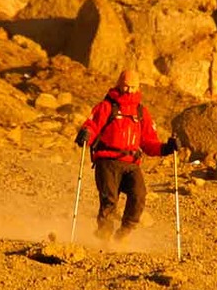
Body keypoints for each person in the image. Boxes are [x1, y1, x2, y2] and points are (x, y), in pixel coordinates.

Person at [75, 70, 179, 242]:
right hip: (107, 161)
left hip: (131, 164)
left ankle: (123, 233)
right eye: (126, 86)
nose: (129, 90)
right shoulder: (106, 106)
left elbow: (149, 142)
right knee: (109, 200)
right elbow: (92, 125)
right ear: (119, 84)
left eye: (133, 87)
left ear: (138, 87)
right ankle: (104, 237)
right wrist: (86, 134)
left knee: (139, 195)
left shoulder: (141, 112)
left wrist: (166, 148)